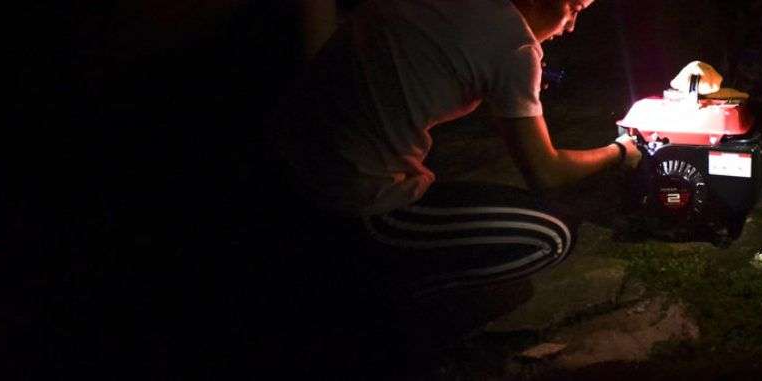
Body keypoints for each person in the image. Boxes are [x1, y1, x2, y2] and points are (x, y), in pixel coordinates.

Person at [260, 0, 641, 349]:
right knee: (551, 234)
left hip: (287, 165)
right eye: (573, 7)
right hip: (352, 201)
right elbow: (545, 172)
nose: (572, 25)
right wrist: (620, 151)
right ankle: (371, 311)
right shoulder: (514, 45)